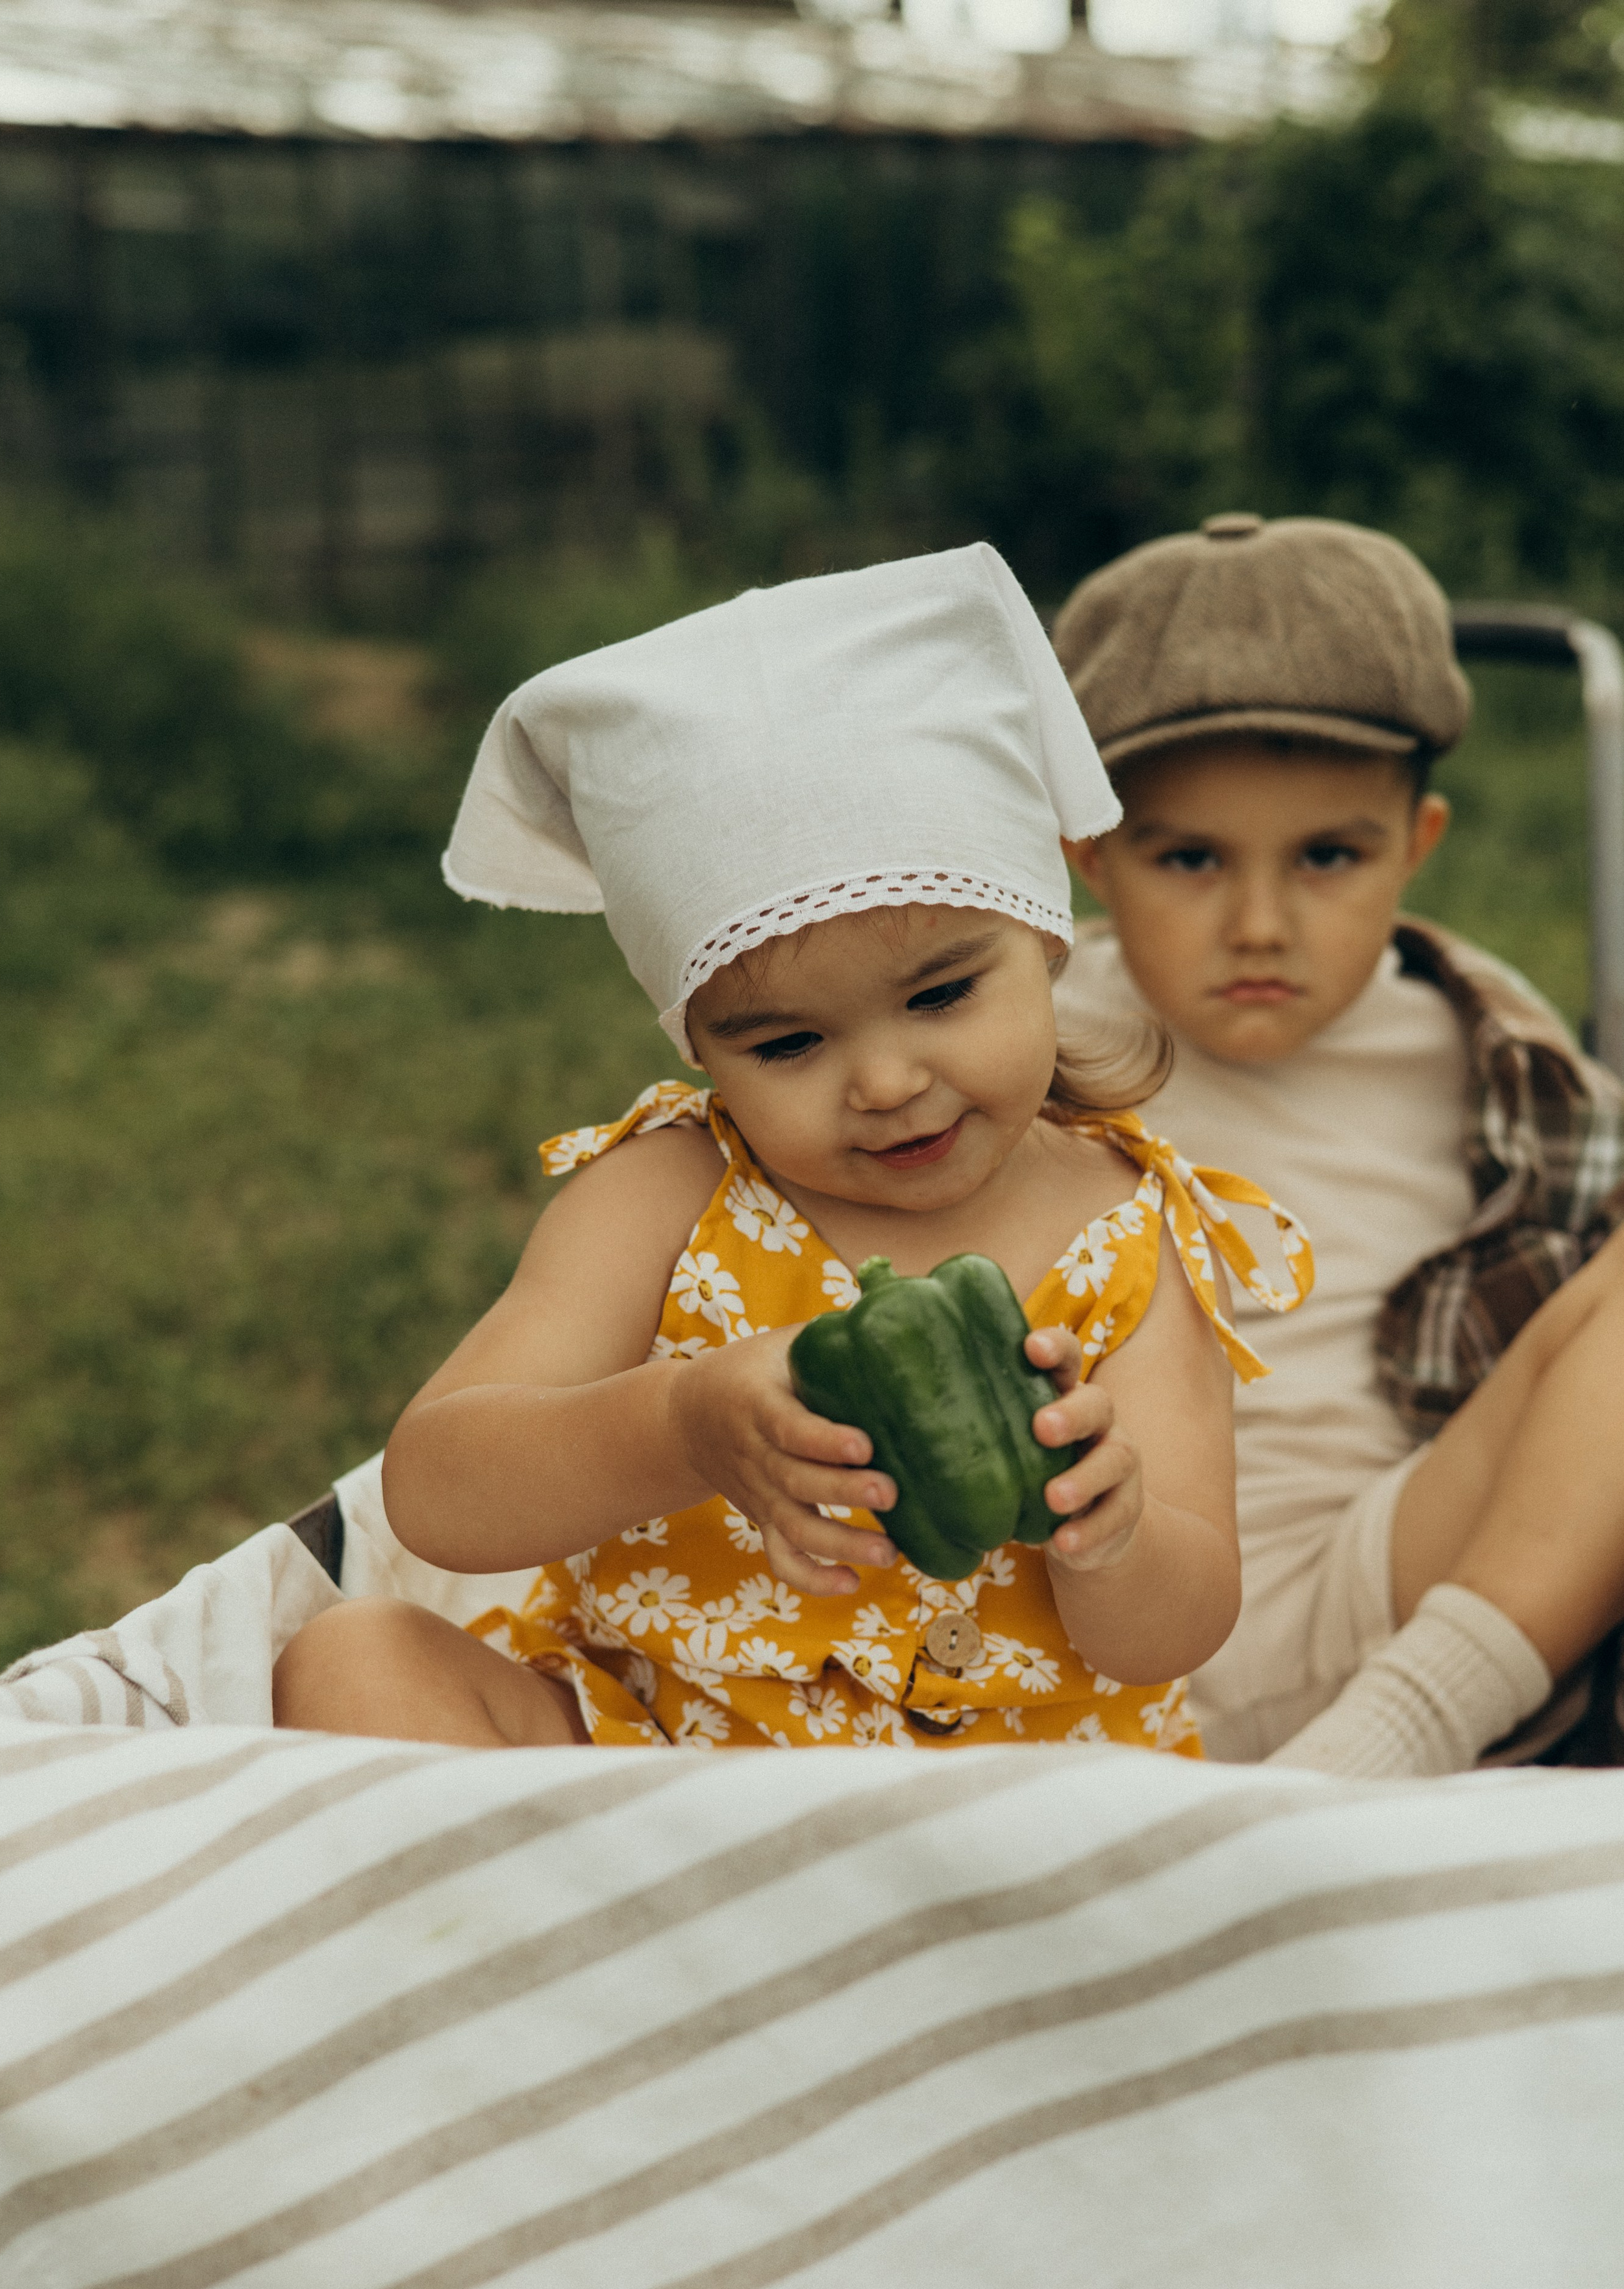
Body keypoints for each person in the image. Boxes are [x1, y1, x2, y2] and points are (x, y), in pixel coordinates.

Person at [274, 544, 1309, 1755]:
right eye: (788, 1042)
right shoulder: (668, 1193)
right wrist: (678, 1424)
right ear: (701, 1046)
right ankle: (612, 1937)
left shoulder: (1126, 1229)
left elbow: (1177, 1634)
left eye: (939, 998)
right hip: (662, 1772)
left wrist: (1117, 1532)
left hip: (1014, 1805)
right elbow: (436, 1493)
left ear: (1047, 943)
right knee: (355, 1656)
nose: (884, 1081)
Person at [1051, 511, 1624, 1776]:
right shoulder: (1021, 1035)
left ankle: (1386, 1746)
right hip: (1073, 1611)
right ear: (1088, 855)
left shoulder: (1481, 1046)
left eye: (1325, 857)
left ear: (1413, 847)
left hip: (1385, 1599)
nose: (1258, 924)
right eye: (1189, 858)